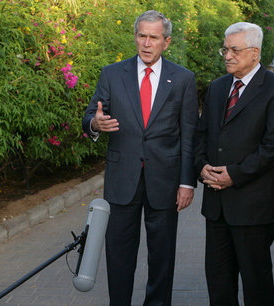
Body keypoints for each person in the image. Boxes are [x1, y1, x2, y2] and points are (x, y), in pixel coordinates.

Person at [82, 10, 199, 306]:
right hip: (123, 182)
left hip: (165, 182)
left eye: (154, 37)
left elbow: (189, 134)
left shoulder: (183, 79)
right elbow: (90, 115)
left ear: (166, 41)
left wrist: (187, 182)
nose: (146, 43)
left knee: (162, 257)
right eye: (141, 36)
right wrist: (95, 124)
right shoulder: (112, 74)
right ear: (135, 37)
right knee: (119, 254)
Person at [194, 22, 274, 305]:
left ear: (254, 52)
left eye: (234, 50)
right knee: (218, 284)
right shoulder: (216, 89)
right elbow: (202, 134)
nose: (227, 55)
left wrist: (234, 175)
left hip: (254, 206)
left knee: (257, 285)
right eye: (225, 49)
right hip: (216, 206)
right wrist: (201, 166)